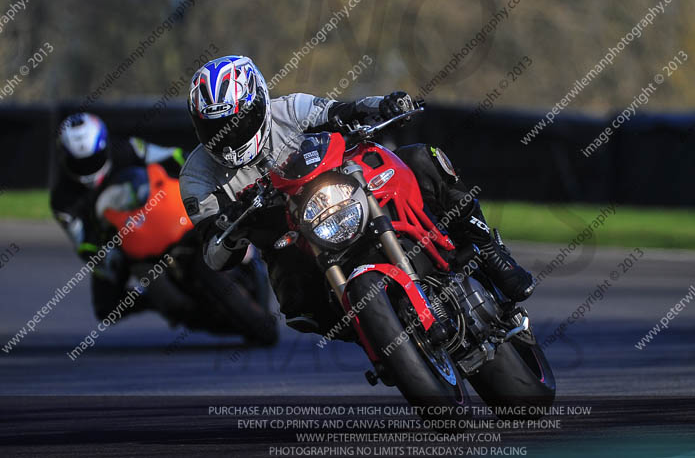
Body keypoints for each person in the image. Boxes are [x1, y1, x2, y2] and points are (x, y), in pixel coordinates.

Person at [179, 55, 535, 333]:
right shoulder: (196, 176)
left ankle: (488, 250)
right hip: (291, 237)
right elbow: (213, 256)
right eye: (215, 127)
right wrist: (229, 232)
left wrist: (384, 105)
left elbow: (341, 111)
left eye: (237, 122)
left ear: (259, 104)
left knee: (420, 158)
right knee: (298, 304)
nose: (228, 135)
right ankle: (366, 329)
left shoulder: (288, 110)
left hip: (340, 193)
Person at [51, 113, 185, 321]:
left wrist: (188, 166)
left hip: (157, 209)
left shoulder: (127, 148)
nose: (88, 168)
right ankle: (155, 300)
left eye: (93, 160)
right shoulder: (62, 200)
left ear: (104, 147)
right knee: (106, 309)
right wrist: (103, 254)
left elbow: (169, 155)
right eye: (79, 163)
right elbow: (82, 243)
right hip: (117, 242)